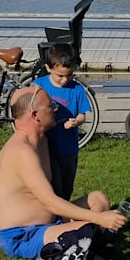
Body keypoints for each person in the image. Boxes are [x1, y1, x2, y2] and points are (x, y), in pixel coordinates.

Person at [0, 86, 126, 260]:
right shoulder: (21, 152)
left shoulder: (41, 140)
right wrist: (99, 218)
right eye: (50, 105)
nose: (56, 108)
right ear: (35, 115)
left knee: (98, 199)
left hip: (51, 222)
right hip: (24, 236)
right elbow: (50, 202)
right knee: (89, 229)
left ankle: (94, 238)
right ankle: (98, 236)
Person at [32, 43, 92, 199]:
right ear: (48, 68)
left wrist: (76, 122)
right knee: (53, 186)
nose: (65, 80)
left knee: (67, 186)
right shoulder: (39, 86)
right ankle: (55, 211)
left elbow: (82, 115)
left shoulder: (77, 89)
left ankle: (65, 207)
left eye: (70, 75)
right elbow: (31, 112)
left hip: (68, 148)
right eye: (60, 76)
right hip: (46, 146)